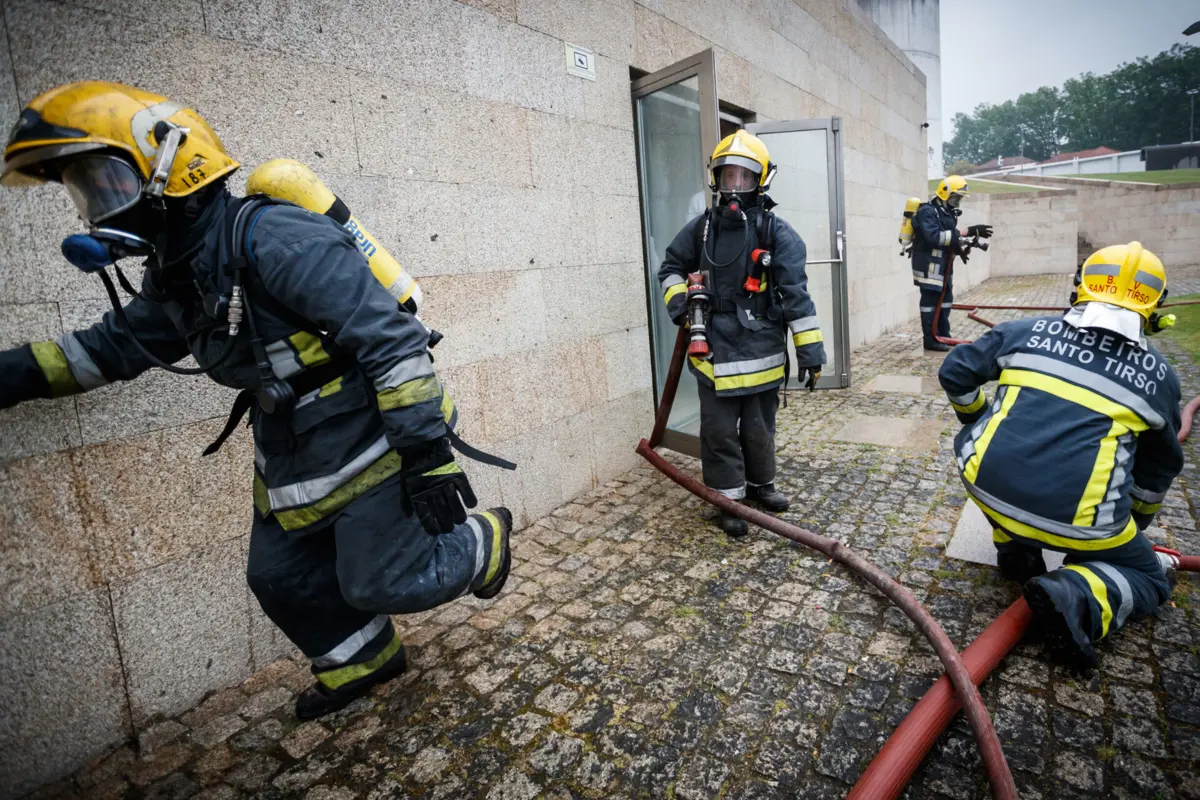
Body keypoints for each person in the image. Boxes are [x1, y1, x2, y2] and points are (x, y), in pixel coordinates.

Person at [0, 81, 513, 718]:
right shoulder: (178, 277)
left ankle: (484, 542)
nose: (98, 213)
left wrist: (428, 456)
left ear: (170, 173)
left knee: (384, 578)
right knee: (281, 578)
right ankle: (366, 661)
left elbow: (394, 342)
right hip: (291, 445)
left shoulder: (277, 239)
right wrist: (8, 376)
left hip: (374, 432)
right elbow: (108, 350)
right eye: (88, 194)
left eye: (107, 185)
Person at [938, 242, 1181, 668]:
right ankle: (1077, 594)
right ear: (1155, 311)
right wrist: (1129, 530)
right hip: (1080, 524)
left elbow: (955, 372)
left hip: (983, 486)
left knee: (997, 459)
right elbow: (1158, 469)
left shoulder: (1023, 331)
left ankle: (1014, 549)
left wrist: (974, 418)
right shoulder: (1159, 377)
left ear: (1077, 291)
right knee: (1150, 578)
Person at [657, 130, 826, 537]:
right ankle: (726, 499)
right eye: (728, 176)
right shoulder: (701, 230)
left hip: (762, 348)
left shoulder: (775, 233)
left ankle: (760, 485)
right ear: (717, 180)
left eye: (743, 178)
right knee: (717, 431)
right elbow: (670, 269)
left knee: (759, 427)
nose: (734, 187)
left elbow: (796, 295)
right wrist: (683, 307)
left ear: (759, 181)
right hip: (711, 350)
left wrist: (811, 353)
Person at [911, 175, 991, 351]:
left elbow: (950, 239)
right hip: (929, 266)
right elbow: (934, 238)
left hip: (944, 266)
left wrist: (960, 249)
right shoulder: (928, 211)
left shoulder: (948, 213)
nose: (957, 201)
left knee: (946, 300)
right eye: (955, 197)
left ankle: (943, 335)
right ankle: (930, 339)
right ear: (944, 193)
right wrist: (965, 231)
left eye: (959, 198)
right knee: (930, 302)